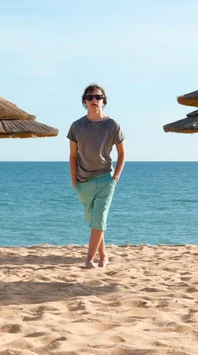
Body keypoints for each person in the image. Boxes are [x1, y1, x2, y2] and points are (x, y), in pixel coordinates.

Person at [68, 84, 126, 268]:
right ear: (84, 101)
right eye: (90, 97)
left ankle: (89, 260)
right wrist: (74, 181)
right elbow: (73, 156)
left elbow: (122, 153)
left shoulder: (113, 125)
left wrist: (115, 177)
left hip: (105, 179)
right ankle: (103, 255)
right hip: (83, 182)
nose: (95, 100)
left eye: (98, 97)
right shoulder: (76, 126)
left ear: (104, 101)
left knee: (99, 219)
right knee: (94, 222)